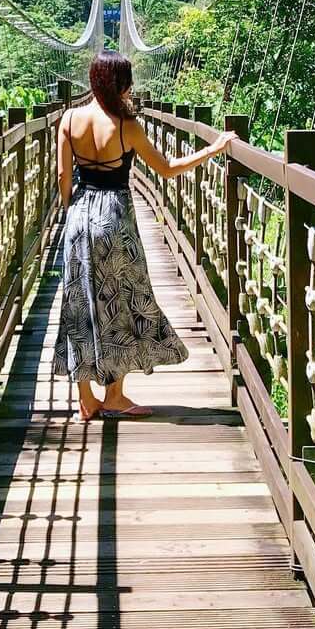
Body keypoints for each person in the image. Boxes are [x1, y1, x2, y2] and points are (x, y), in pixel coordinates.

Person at [55, 50, 236, 420]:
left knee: (79, 301)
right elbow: (167, 169)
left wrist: (71, 209)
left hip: (79, 214)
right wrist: (213, 149)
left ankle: (85, 396)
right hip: (115, 218)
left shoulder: (69, 119)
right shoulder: (127, 126)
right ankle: (115, 395)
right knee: (119, 300)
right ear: (118, 83)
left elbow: (63, 178)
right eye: (126, 80)